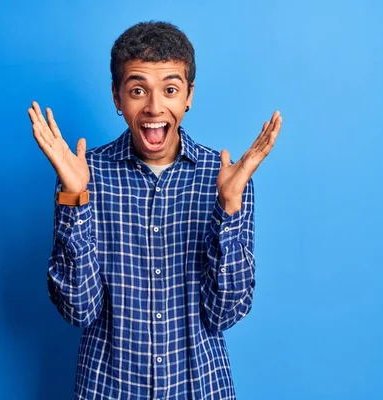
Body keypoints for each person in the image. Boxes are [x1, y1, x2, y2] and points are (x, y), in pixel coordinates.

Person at [28, 21, 282, 400]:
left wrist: (229, 209)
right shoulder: (82, 174)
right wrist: (74, 196)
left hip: (200, 388)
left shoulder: (225, 178)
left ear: (189, 96)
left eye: (170, 89)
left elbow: (225, 313)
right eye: (137, 90)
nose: (154, 106)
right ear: (116, 97)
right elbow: (78, 310)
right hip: (108, 389)